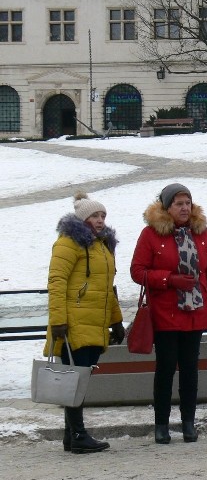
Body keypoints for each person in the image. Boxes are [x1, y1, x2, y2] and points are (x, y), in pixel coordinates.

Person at [130, 183, 207, 445]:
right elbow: (137, 271)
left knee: (190, 369)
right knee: (165, 368)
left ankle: (188, 422)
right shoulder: (150, 234)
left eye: (187, 203)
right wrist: (169, 280)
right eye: (178, 204)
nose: (184, 208)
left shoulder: (201, 232)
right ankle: (161, 424)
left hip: (196, 311)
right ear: (166, 207)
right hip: (166, 312)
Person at [45, 192, 123, 454]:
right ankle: (78, 434)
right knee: (74, 379)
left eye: (103, 216)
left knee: (79, 378)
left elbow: (107, 288)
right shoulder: (68, 243)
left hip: (94, 323)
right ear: (82, 218)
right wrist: (58, 322)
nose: (100, 220)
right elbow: (56, 282)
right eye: (94, 215)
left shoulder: (101, 246)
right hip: (73, 324)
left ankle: (71, 435)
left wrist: (116, 320)